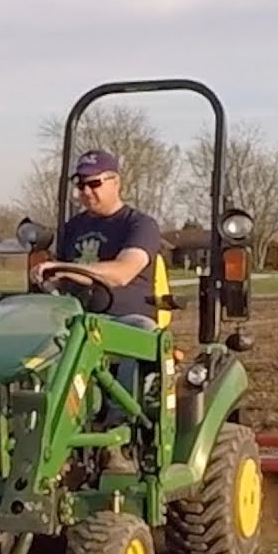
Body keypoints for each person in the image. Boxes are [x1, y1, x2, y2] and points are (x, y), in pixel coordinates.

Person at [29, 149, 164, 474]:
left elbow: (123, 271)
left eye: (94, 183)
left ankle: (118, 432)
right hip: (77, 317)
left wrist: (65, 267)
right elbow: (59, 276)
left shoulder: (139, 225)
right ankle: (32, 421)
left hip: (123, 318)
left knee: (137, 332)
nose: (86, 192)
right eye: (80, 186)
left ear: (116, 181)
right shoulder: (73, 227)